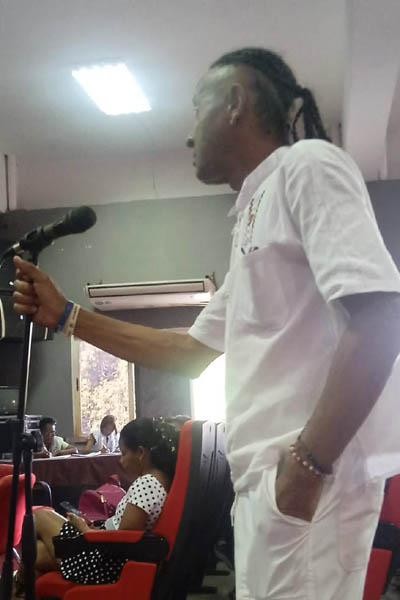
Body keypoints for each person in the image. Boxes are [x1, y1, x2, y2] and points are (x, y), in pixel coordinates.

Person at [13, 46, 400, 599]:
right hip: (271, 484)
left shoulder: (307, 166)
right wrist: (69, 317)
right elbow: (191, 353)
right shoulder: (252, 214)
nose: (189, 134)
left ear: (236, 102)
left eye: (198, 108)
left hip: (307, 479)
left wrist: (307, 465)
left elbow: (381, 314)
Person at [14, 417, 178, 592]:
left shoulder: (147, 483)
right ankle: (21, 585)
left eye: (124, 454)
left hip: (102, 560)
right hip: (104, 548)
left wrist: (84, 528)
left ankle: (17, 584)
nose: (121, 461)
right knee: (36, 551)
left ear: (140, 452)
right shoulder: (160, 481)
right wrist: (97, 528)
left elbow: (123, 542)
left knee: (38, 515)